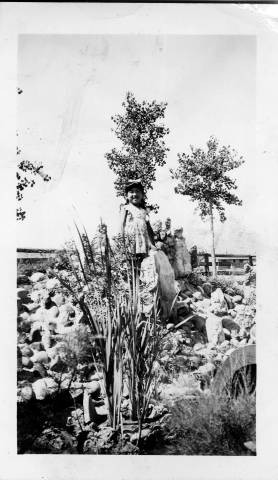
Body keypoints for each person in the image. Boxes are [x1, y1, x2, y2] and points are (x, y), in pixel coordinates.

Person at [120, 179, 156, 271]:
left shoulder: (144, 211)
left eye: (137, 191)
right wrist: (122, 241)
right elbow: (121, 225)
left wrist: (152, 244)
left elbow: (149, 229)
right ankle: (133, 282)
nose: (135, 194)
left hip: (143, 242)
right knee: (132, 264)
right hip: (131, 240)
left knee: (144, 263)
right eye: (131, 192)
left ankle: (143, 282)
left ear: (142, 195)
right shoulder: (126, 208)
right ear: (126, 196)